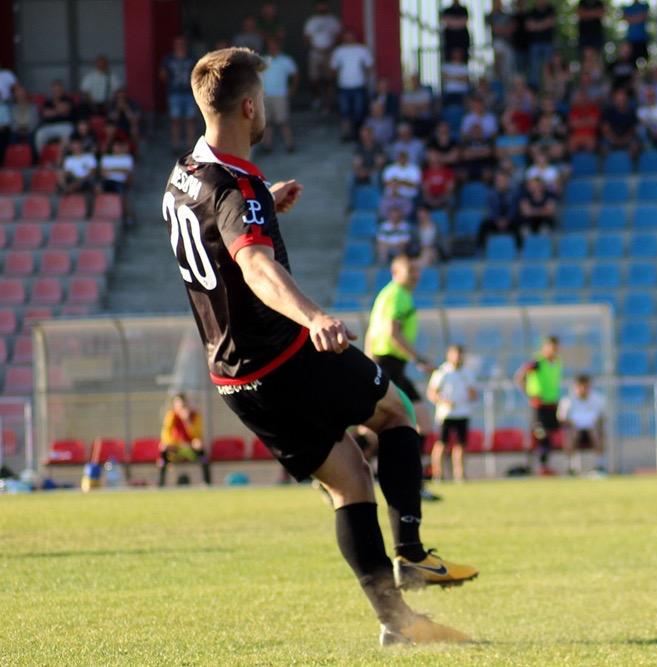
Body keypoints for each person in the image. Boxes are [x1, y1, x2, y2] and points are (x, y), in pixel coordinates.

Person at [162, 47, 474, 644]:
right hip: (284, 355)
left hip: (234, 378)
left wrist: (264, 203)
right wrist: (314, 316)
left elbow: (217, 226)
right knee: (397, 412)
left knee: (349, 482)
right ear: (249, 106)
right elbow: (255, 267)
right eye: (262, 99)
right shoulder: (238, 192)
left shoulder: (184, 173)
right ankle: (412, 554)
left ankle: (398, 623)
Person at [366, 255, 436, 440]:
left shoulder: (391, 294)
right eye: (410, 271)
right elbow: (393, 333)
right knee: (383, 423)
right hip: (388, 364)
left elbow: (372, 332)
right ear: (395, 272)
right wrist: (419, 359)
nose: (415, 275)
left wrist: (369, 361)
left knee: (421, 419)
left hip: (393, 366)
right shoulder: (397, 295)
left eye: (417, 271)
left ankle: (408, 460)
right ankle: (363, 451)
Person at [427, 345, 477, 482]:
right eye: (455, 354)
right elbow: (431, 393)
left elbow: (473, 394)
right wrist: (443, 401)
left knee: (461, 444)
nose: (458, 357)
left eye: (460, 355)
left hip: (463, 413)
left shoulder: (467, 373)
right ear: (449, 355)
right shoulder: (442, 372)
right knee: (442, 443)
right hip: (446, 414)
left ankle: (459, 474)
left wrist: (471, 394)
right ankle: (438, 474)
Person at [515, 336, 563, 476]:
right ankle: (538, 467)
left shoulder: (557, 362)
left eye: (555, 347)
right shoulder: (537, 362)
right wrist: (530, 394)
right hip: (538, 405)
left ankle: (544, 466)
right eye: (551, 347)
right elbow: (519, 377)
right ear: (544, 348)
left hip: (551, 404)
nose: (554, 350)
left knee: (550, 436)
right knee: (541, 434)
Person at [157, 393, 211, 487]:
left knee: (200, 448)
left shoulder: (195, 415)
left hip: (190, 449)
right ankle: (161, 484)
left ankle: (207, 482)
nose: (181, 407)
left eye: (183, 405)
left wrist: (187, 421)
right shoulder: (171, 416)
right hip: (176, 450)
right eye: (178, 405)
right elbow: (166, 434)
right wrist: (177, 444)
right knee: (163, 448)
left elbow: (197, 435)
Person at [557, 375, 606, 476]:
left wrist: (596, 423)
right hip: (574, 429)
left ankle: (599, 466)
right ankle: (571, 467)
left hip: (592, 429)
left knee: (597, 433)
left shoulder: (598, 399)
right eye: (581, 386)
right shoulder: (568, 400)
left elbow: (603, 417)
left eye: (586, 386)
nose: (584, 389)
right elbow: (561, 418)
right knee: (571, 435)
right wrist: (572, 423)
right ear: (576, 387)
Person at [330, 29, 373, 139]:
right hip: (343, 86)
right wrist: (337, 80)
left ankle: (359, 134)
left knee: (359, 112)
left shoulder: (362, 50)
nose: (348, 38)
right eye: (346, 36)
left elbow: (369, 67)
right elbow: (333, 69)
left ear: (354, 37)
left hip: (359, 85)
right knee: (344, 112)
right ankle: (346, 134)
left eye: (350, 35)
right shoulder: (339, 51)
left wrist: (366, 81)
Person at [260, 37, 298, 153]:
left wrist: (292, 89)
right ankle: (267, 146)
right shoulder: (262, 60)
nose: (272, 48)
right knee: (267, 122)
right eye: (270, 46)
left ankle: (289, 144)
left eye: (274, 46)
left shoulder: (286, 60)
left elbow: (295, 75)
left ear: (279, 46)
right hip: (265, 96)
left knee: (283, 121)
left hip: (280, 95)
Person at [160, 36, 198, 153]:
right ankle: (175, 146)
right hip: (174, 92)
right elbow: (162, 74)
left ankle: (191, 146)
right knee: (175, 120)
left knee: (190, 120)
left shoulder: (192, 58)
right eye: (178, 44)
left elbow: (199, 72)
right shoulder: (168, 59)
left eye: (182, 43)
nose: (180, 46)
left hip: (189, 92)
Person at [303, 1, 341, 111]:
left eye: (323, 4)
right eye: (319, 5)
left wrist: (331, 48)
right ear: (316, 7)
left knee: (329, 79)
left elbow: (338, 36)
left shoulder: (333, 20)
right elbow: (306, 38)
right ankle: (316, 99)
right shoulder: (311, 21)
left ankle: (327, 103)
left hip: (329, 53)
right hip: (315, 52)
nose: (322, 7)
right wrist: (313, 47)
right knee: (313, 79)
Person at [478, 170, 520, 249]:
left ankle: (519, 250)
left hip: (509, 221)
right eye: (499, 181)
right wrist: (497, 220)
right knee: (484, 225)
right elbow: (490, 209)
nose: (501, 183)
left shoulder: (514, 193)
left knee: (518, 225)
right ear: (496, 182)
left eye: (504, 180)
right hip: (495, 221)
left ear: (507, 182)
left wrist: (507, 220)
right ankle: (481, 249)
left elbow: (513, 209)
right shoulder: (490, 194)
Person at [35, 80, 77, 153]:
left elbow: (65, 110)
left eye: (58, 90)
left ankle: (63, 156)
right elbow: (46, 114)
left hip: (65, 125)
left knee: (68, 132)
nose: (56, 92)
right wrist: (59, 111)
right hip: (49, 126)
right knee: (40, 134)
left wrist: (53, 111)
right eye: (54, 90)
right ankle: (42, 157)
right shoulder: (48, 101)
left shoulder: (68, 99)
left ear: (62, 90)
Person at [525, 0, 556, 87]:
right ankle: (534, 88)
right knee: (534, 66)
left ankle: (549, 87)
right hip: (535, 43)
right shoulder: (531, 12)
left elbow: (551, 23)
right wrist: (544, 24)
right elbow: (529, 26)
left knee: (549, 66)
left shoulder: (550, 10)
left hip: (548, 43)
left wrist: (536, 25)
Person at [488, 0, 517, 85]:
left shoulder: (507, 15)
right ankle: (498, 79)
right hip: (498, 43)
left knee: (508, 67)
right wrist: (504, 29)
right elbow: (495, 29)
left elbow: (511, 29)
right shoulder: (491, 16)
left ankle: (507, 82)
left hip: (508, 44)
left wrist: (503, 29)